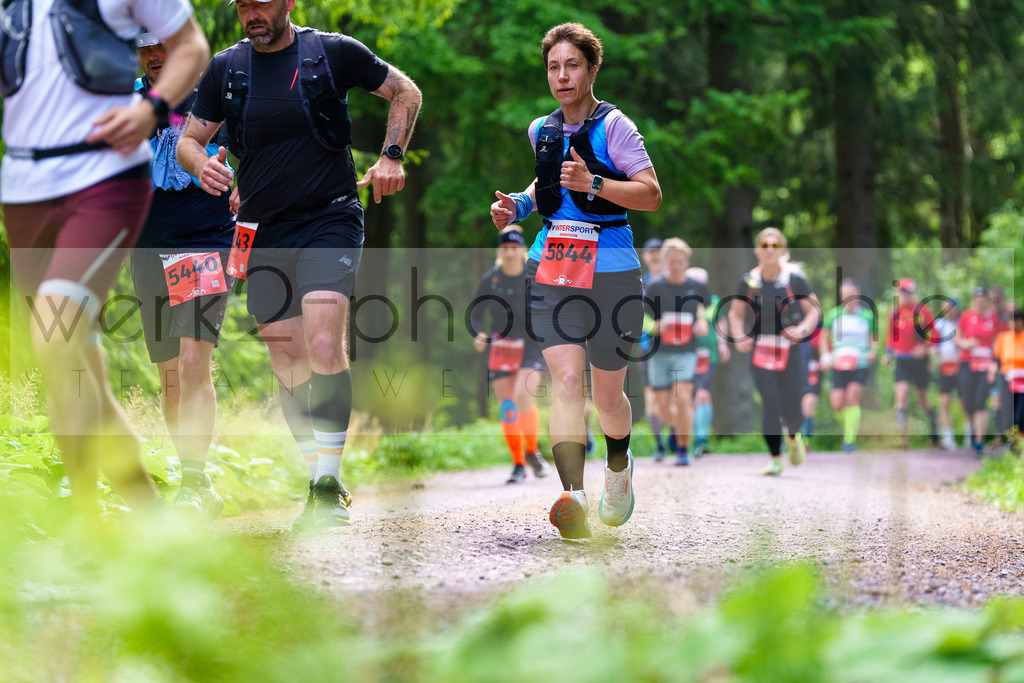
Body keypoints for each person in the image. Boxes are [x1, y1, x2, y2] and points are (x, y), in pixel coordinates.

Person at [178, 0, 421, 529]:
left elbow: (406, 91)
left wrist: (391, 155)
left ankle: (329, 485)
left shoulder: (330, 52)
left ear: (288, 2)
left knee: (323, 341)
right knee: (288, 364)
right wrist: (203, 167)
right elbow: (189, 141)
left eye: (261, 3)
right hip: (262, 232)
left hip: (330, 218)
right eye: (242, 6)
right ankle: (317, 479)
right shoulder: (228, 68)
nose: (251, 14)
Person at [1, 0, 209, 518]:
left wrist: (149, 110)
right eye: (148, 51)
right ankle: (139, 514)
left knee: (63, 327)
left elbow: (192, 46)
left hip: (118, 186)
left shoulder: (197, 90)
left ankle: (114, 515)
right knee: (72, 359)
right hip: (26, 187)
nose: (153, 55)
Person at [490, 22, 661, 539]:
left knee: (608, 397)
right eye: (553, 67)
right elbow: (548, 188)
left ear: (591, 70)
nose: (561, 76)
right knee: (566, 383)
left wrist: (596, 183)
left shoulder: (617, 129)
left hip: (612, 272)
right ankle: (573, 497)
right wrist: (518, 206)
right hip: (554, 270)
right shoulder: (541, 129)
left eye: (572, 66)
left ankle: (617, 466)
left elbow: (650, 194)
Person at [129, 30, 237, 524]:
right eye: (145, 48)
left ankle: (192, 484)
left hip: (203, 240)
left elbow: (256, 154)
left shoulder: (214, 96)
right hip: (147, 248)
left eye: (164, 46)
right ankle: (197, 484)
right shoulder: (127, 102)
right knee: (169, 376)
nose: (155, 56)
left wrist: (248, 191)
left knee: (194, 362)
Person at [728, 227, 820, 476]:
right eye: (765, 245)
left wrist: (801, 330)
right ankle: (776, 457)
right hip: (761, 349)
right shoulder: (749, 281)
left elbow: (814, 311)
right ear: (758, 250)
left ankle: (793, 435)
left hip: (790, 349)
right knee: (771, 402)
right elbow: (735, 314)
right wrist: (738, 335)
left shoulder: (794, 280)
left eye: (775, 245)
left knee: (792, 403)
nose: (770, 250)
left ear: (783, 250)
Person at [470, 228, 552, 484]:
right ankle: (518, 463)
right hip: (501, 344)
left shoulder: (534, 274)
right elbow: (475, 312)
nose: (509, 252)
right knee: (507, 408)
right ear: (500, 251)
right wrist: (478, 333)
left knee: (523, 397)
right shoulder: (491, 279)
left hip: (531, 343)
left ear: (521, 250)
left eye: (514, 248)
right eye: (504, 248)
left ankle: (532, 450)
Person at [646, 239, 709, 466]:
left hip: (686, 351)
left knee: (683, 398)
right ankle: (681, 429)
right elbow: (641, 315)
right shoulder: (654, 287)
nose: (675, 266)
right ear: (665, 261)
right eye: (671, 262)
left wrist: (703, 321)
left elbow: (709, 308)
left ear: (686, 262)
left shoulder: (697, 287)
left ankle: (683, 449)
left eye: (680, 262)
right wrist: (653, 326)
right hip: (659, 352)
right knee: (661, 407)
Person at [819, 279, 878, 452]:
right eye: (844, 295)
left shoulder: (867, 316)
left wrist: (872, 351)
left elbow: (873, 338)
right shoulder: (834, 314)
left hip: (859, 363)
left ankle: (849, 440)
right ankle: (850, 426)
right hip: (839, 363)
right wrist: (825, 357)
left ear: (858, 294)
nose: (847, 298)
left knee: (852, 399)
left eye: (850, 294)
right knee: (837, 404)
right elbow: (824, 338)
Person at [882, 278, 939, 448]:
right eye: (901, 291)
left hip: (920, 361)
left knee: (922, 401)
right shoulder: (893, 312)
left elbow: (934, 335)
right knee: (901, 395)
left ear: (912, 293)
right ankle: (901, 437)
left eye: (907, 291)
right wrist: (888, 353)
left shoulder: (922, 311)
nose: (904, 295)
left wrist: (926, 349)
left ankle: (935, 431)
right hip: (902, 360)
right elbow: (890, 336)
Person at [956, 287, 1005, 457]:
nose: (980, 301)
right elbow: (957, 337)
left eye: (983, 298)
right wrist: (965, 343)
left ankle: (978, 442)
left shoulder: (994, 318)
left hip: (986, 367)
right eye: (977, 298)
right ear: (973, 300)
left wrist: (995, 363)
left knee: (980, 402)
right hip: (968, 363)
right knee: (967, 402)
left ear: (987, 301)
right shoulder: (966, 316)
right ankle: (971, 427)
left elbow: (1001, 340)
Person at [686, 267, 730, 459]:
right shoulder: (681, 300)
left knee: (703, 394)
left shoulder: (713, 302)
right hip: (686, 353)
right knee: (690, 396)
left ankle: (702, 440)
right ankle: (692, 438)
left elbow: (721, 322)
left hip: (708, 353)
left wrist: (723, 343)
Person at [638, 237, 668, 460]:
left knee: (677, 395)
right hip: (649, 347)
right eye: (652, 252)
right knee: (652, 397)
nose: (656, 255)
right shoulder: (640, 284)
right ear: (645, 256)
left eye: (660, 251)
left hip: (679, 346)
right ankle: (660, 445)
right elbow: (634, 312)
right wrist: (653, 327)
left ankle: (679, 439)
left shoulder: (677, 281)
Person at [931, 297, 963, 450]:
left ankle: (970, 434)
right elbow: (932, 345)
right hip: (944, 366)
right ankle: (948, 437)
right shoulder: (939, 324)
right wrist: (933, 357)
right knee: (944, 402)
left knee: (964, 402)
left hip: (961, 366)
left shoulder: (961, 323)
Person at [991, 305, 1024, 454]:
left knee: (1020, 413)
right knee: (1007, 412)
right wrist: (993, 372)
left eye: (1017, 320)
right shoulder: (1003, 338)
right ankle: (1012, 443)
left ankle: (1018, 442)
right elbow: (996, 360)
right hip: (1007, 379)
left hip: (1022, 380)